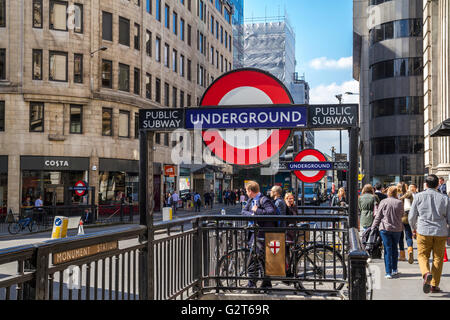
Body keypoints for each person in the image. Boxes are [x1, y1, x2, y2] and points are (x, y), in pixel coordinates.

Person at [409, 174, 450, 294]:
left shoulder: (418, 197)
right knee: (438, 258)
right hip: (440, 231)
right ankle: (434, 285)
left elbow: (412, 217)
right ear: (438, 184)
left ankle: (426, 273)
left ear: (426, 184)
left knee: (422, 255)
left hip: (423, 230)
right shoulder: (445, 198)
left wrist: (413, 228)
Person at [241, 181, 277, 289]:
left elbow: (271, 213)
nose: (246, 193)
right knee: (257, 257)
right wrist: (252, 214)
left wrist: (257, 211)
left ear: (251, 191)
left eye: (247, 191)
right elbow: (243, 212)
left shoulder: (264, 199)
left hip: (262, 233)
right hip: (253, 233)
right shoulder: (251, 200)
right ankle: (263, 284)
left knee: (258, 258)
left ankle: (255, 284)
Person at [371, 186, 404, 279]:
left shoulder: (383, 202)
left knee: (387, 249)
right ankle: (394, 269)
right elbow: (402, 214)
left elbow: (378, 216)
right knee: (394, 248)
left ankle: (388, 272)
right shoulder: (399, 202)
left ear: (388, 192)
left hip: (385, 228)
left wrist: (373, 226)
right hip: (397, 228)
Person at [399, 185, 415, 264]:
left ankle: (402, 255)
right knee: (409, 235)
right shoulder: (411, 195)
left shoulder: (399, 197)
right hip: (408, 217)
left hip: (400, 218)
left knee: (400, 237)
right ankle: (410, 249)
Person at [396, 182, 408, 261]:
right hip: (406, 217)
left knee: (398, 237)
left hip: (398, 218)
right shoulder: (407, 194)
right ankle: (403, 254)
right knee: (405, 236)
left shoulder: (397, 196)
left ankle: (398, 255)